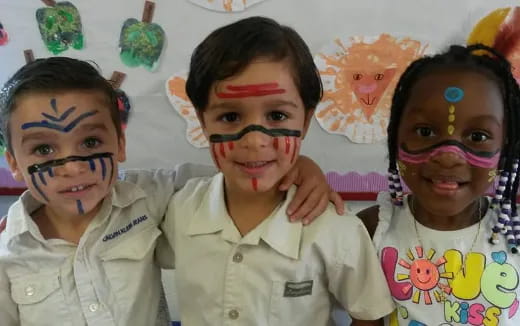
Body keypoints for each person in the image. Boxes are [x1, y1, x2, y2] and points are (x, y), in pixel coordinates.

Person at [0, 56, 342, 326]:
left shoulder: (148, 196)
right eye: (43, 150)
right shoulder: (7, 253)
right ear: (13, 161)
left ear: (120, 144)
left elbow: (238, 173)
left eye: (91, 141)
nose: (72, 167)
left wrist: (301, 166)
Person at [162, 16, 395, 325]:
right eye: (230, 116)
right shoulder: (178, 209)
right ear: (203, 122)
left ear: (305, 122)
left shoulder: (336, 230)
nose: (255, 140)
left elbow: (368, 316)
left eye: (277, 115)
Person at [357, 44, 520, 325]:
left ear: (505, 148)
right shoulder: (372, 230)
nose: (447, 155)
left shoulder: (514, 234)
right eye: (425, 131)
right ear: (395, 136)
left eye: (478, 136)